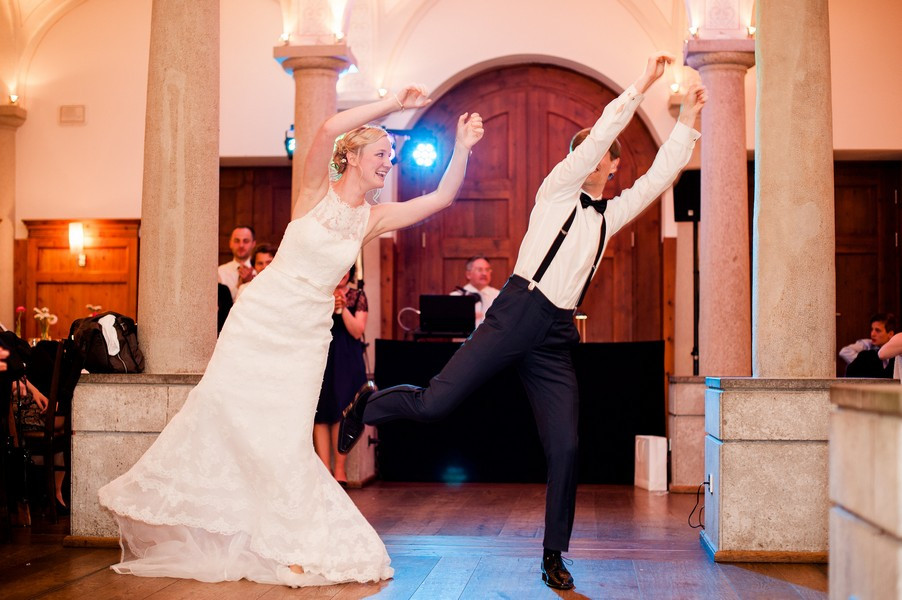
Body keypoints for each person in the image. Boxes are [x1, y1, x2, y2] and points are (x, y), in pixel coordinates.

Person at [339, 53, 705, 591]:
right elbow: (604, 129)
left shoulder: (612, 214)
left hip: (555, 334)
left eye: (606, 156)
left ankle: (553, 554)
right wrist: (643, 85)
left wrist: (689, 122)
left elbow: (661, 176)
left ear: (611, 166)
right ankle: (370, 403)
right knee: (437, 402)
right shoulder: (557, 189)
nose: (602, 159)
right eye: (596, 151)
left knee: (566, 447)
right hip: (515, 312)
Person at [98, 84, 484, 587]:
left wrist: (462, 147)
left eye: (391, 155)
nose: (389, 162)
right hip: (258, 319)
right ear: (351, 157)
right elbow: (325, 129)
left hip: (305, 336)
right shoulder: (312, 192)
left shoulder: (370, 220)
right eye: (382, 153)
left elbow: (442, 196)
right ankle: (213, 517)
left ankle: (290, 541)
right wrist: (393, 104)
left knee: (284, 438)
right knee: (219, 410)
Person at [314, 266, 368, 486]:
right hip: (320, 356)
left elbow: (357, 331)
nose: (342, 272)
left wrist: (343, 308)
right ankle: (324, 470)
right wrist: (328, 306)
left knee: (343, 410)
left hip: (347, 359)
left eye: (346, 269)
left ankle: (339, 470)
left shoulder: (358, 296)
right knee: (320, 411)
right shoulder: (318, 293)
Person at [839, 313, 895, 377]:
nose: (872, 334)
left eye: (878, 330)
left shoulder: (896, 352)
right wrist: (865, 362)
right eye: (872, 329)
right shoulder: (867, 345)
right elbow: (844, 351)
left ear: (890, 334)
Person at [451, 255, 499, 327]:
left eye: (487, 270)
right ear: (468, 274)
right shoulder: (456, 297)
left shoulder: (498, 296)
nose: (484, 273)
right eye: (480, 270)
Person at [217, 225, 256, 301]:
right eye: (237, 241)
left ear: (253, 244)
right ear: (230, 243)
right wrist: (240, 284)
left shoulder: (260, 270)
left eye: (246, 241)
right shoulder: (220, 272)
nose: (241, 245)